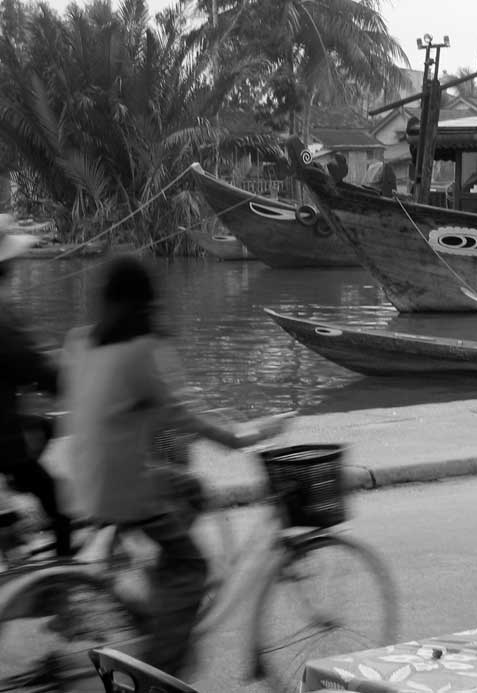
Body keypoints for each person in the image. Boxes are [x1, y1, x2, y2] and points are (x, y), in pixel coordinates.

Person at [59, 255, 285, 676]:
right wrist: (248, 435)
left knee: (192, 489)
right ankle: (158, 670)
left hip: (86, 479)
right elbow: (179, 417)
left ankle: (155, 591)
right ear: (145, 302)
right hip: (124, 485)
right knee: (193, 567)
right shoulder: (142, 351)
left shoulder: (78, 342)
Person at [0, 230, 73, 556]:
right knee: (54, 494)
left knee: (42, 428)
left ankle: (10, 515)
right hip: (2, 433)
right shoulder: (5, 319)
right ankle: (64, 570)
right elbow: (38, 369)